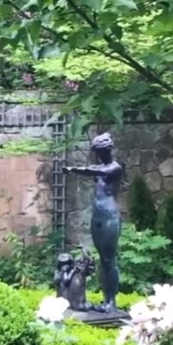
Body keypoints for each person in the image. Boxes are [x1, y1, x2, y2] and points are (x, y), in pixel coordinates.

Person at [63, 132, 124, 312]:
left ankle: (111, 301)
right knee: (102, 260)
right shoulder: (100, 166)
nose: (99, 155)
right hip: (97, 216)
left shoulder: (115, 168)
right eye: (98, 152)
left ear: (108, 151)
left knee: (109, 259)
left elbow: (94, 171)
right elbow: (94, 168)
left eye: (101, 152)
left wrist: (73, 169)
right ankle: (106, 300)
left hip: (110, 216)